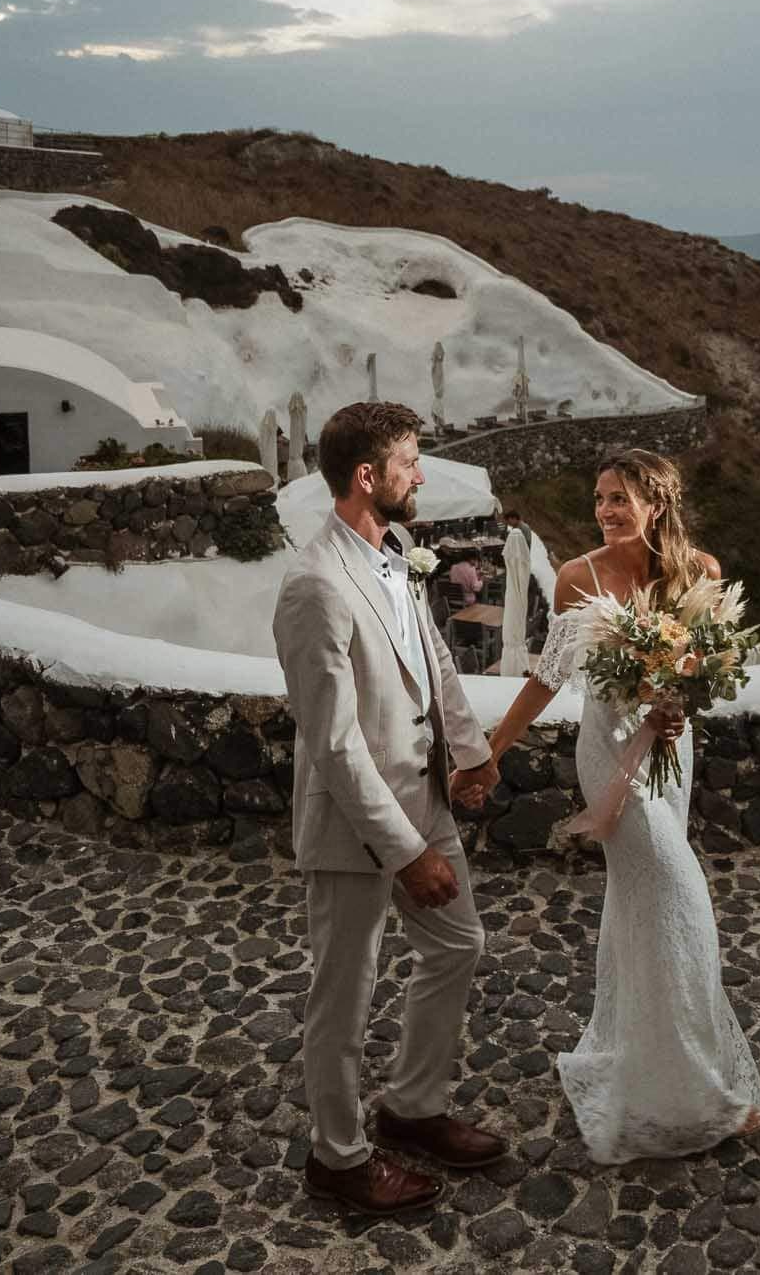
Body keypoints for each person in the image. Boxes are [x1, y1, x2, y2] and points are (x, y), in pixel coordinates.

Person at [455, 447, 760, 1163]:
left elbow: (704, 668)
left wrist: (681, 705)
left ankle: (641, 1068)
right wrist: (493, 750)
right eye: (599, 498)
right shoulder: (577, 577)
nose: (604, 510)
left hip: (668, 756)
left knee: (641, 908)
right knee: (682, 898)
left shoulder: (700, 574)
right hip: (607, 755)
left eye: (619, 497)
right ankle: (701, 1092)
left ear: (655, 502)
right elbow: (547, 675)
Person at [271, 400, 507, 1216]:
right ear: (367, 477)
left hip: (427, 791)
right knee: (345, 993)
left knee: (458, 944)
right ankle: (337, 1159)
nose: (422, 474)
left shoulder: (397, 552)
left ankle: (412, 1105)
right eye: (410, 460)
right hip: (357, 826)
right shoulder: (314, 586)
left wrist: (469, 749)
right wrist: (407, 851)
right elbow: (334, 745)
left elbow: (431, 655)